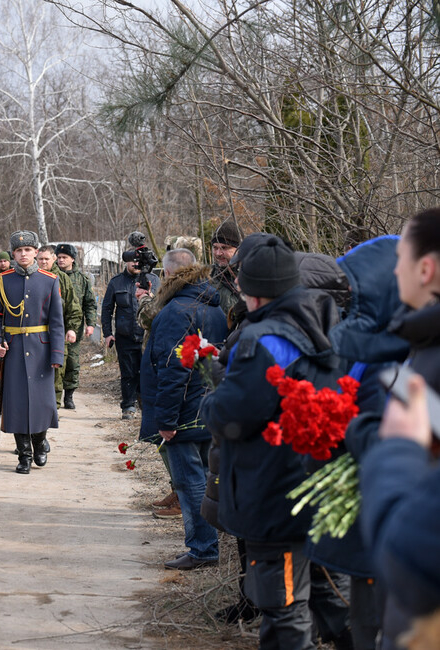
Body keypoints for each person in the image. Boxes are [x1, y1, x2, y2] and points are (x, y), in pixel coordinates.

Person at [201, 236, 343, 649]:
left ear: (251, 287)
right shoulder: (324, 321)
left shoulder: (263, 339)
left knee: (282, 608)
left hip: (273, 492)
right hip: (315, 485)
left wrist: (215, 392)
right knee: (327, 595)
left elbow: (232, 415)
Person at [358, 208, 440, 649]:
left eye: (401, 256)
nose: (393, 267)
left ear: (425, 268)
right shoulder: (420, 345)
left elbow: (411, 548)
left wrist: (389, 449)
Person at [138, 248, 227, 569]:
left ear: (167, 275)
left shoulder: (176, 312)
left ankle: (203, 549)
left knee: (190, 484)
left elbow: (173, 369)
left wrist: (167, 419)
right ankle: (209, 545)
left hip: (186, 415)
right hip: (209, 408)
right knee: (205, 479)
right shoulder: (213, 307)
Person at [0, 230, 67, 474]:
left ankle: (39, 442)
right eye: (19, 251)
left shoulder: (49, 280)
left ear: (36, 252)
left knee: (43, 403)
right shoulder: (3, 280)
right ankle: (24, 455)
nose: (23, 254)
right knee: (16, 403)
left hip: (41, 350)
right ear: (13, 254)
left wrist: (57, 354)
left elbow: (56, 322)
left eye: (28, 250)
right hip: (12, 350)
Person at [101, 246, 160, 419]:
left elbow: (162, 305)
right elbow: (107, 309)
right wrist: (107, 333)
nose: (135, 263)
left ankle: (145, 404)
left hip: (148, 336)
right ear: (126, 261)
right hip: (125, 335)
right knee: (128, 372)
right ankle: (128, 406)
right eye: (132, 260)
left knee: (147, 371)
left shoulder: (154, 280)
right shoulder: (116, 282)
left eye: (138, 260)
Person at [35, 245, 83, 412]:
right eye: (40, 259)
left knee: (57, 373)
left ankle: (52, 409)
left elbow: (74, 308)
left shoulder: (62, 279)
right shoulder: (30, 278)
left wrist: (71, 329)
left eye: (46, 259)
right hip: (34, 336)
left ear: (54, 259)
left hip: (56, 334)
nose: (43, 262)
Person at [55, 243, 97, 409]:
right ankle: (54, 395)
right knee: (57, 362)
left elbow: (90, 303)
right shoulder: (51, 276)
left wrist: (91, 324)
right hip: (54, 327)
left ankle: (69, 395)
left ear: (72, 259)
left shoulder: (82, 279)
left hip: (74, 328)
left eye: (64, 257)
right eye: (58, 257)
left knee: (72, 362)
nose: (61, 260)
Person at [210, 220, 242, 322]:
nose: (218, 253)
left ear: (239, 249)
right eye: (215, 248)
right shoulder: (206, 278)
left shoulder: (252, 277)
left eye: (224, 248)